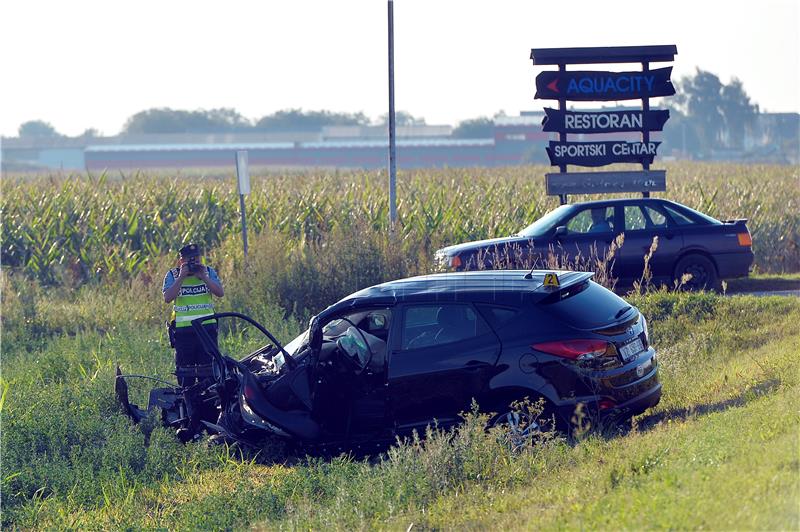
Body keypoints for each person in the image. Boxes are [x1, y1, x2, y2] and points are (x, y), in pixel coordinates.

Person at [162, 243, 225, 386]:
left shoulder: (208, 272)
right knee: (186, 376)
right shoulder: (173, 275)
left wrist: (204, 277)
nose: (193, 263)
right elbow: (167, 298)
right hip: (184, 333)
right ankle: (189, 404)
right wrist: (182, 277)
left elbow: (220, 293)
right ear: (181, 261)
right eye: (189, 260)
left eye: (196, 259)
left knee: (209, 373)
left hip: (207, 331)